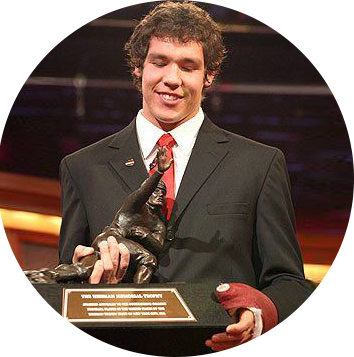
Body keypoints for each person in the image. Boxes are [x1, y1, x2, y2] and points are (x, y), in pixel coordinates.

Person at [58, 1, 313, 353]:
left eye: (188, 66)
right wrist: (88, 276)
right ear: (138, 68)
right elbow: (66, 284)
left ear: (209, 75)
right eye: (159, 62)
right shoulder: (82, 167)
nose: (172, 79)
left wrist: (256, 313)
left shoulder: (260, 164)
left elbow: (290, 283)